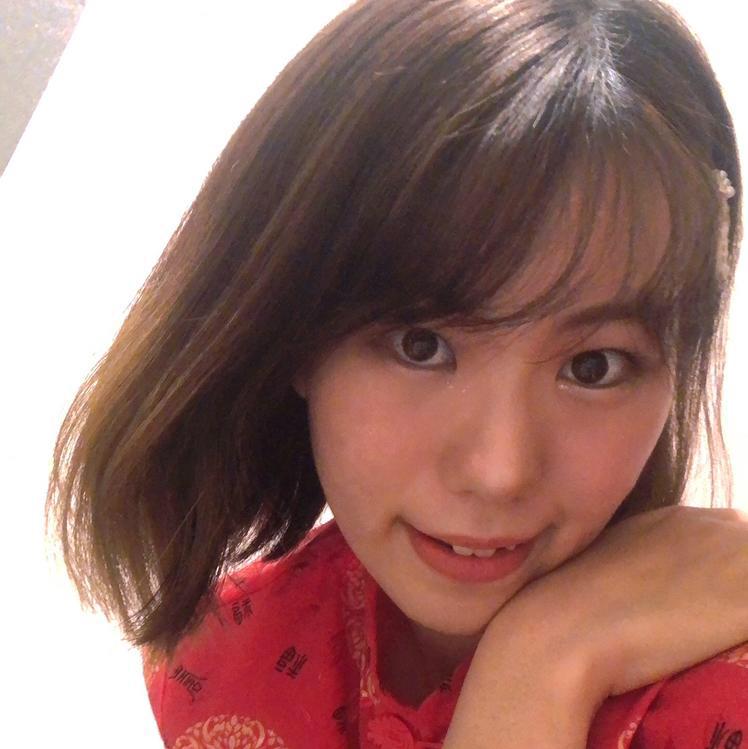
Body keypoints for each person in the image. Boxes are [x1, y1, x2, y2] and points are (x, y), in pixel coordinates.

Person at [45, 0, 748, 746]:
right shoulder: (221, 659)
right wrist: (539, 672)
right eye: (421, 345)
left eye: (592, 365)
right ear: (294, 333)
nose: (500, 471)